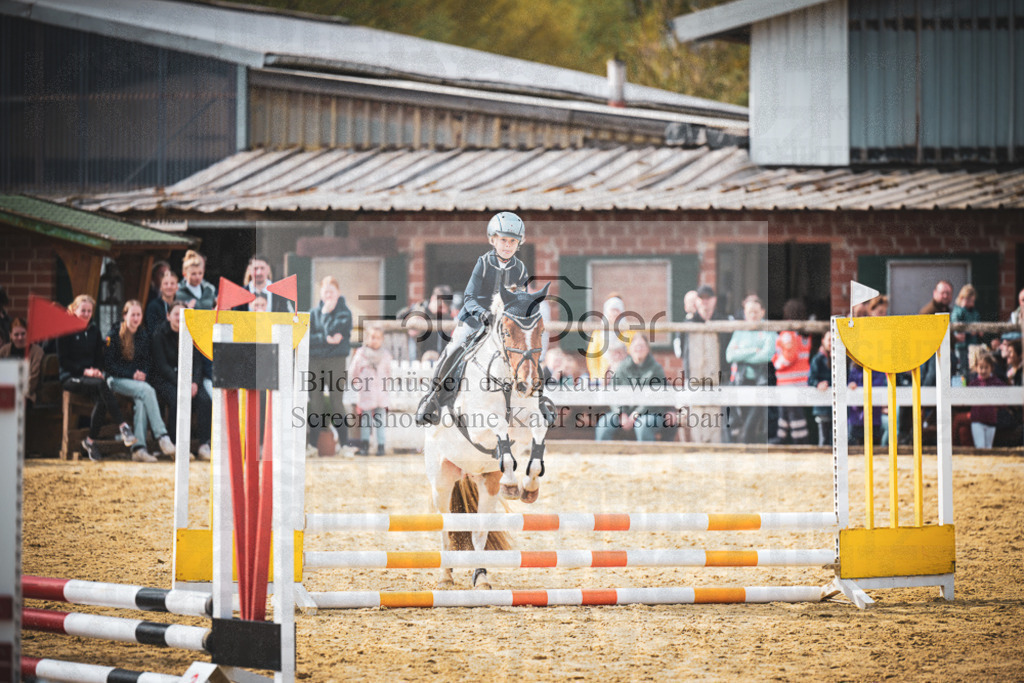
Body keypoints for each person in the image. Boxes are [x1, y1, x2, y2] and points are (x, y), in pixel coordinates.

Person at [415, 211, 554, 427]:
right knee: (453, 350)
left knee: (529, 353)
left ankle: (540, 400)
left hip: (503, 325)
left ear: (518, 244)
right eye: (503, 240)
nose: (507, 245)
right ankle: (432, 400)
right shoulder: (483, 263)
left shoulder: (520, 268)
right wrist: (482, 314)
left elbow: (521, 300)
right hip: (474, 319)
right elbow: (469, 297)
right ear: (493, 240)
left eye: (512, 241)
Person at [56, 294, 136, 462]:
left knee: (102, 399)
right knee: (102, 385)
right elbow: (64, 361)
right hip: (71, 377)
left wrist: (97, 370)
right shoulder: (64, 330)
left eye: (89, 311)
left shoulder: (94, 330)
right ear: (74, 310)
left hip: (92, 379)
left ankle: (90, 441)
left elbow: (98, 357)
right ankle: (123, 426)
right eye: (83, 310)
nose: (86, 314)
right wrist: (85, 371)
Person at [103, 300, 176, 463]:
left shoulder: (143, 335)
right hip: (115, 380)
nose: (136, 318)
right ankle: (162, 436)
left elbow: (147, 361)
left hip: (137, 383)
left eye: (138, 315)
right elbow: (108, 364)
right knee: (147, 391)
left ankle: (139, 449)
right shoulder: (114, 334)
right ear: (125, 315)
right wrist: (131, 374)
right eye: (133, 314)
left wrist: (143, 373)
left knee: (141, 402)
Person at [149, 302, 211, 460]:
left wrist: (195, 382)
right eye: (176, 314)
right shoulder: (159, 334)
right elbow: (162, 366)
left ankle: (204, 445)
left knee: (205, 400)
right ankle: (176, 445)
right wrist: (183, 383)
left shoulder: (191, 332)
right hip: (166, 380)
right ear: (168, 316)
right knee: (178, 399)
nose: (180, 317)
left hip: (190, 380)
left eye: (183, 314)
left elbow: (197, 363)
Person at [677, 284, 730, 443]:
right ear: (697, 301)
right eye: (702, 298)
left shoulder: (724, 321)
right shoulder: (688, 324)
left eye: (708, 298)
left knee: (716, 417)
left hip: (718, 378)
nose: (705, 302)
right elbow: (682, 350)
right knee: (697, 417)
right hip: (695, 378)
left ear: (714, 300)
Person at [307, 276, 352, 453]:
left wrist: (326, 318)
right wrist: (324, 339)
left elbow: (335, 332)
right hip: (315, 362)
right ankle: (312, 446)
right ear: (320, 293)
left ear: (338, 293)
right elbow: (307, 338)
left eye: (331, 292)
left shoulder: (344, 313)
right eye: (325, 292)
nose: (328, 295)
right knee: (315, 403)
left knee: (336, 403)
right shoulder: (312, 313)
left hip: (336, 361)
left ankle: (344, 445)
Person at [726, 295, 777, 444]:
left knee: (754, 420)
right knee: (742, 416)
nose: (752, 315)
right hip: (742, 380)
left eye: (755, 311)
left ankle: (745, 443)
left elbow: (767, 355)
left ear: (762, 311)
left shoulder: (769, 329)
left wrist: (742, 354)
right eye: (749, 312)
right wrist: (754, 350)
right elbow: (730, 355)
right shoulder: (741, 330)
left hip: (762, 381)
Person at [595, 334, 666, 442]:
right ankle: (603, 456)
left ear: (648, 348)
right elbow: (612, 393)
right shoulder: (622, 368)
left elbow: (654, 398)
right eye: (636, 346)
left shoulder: (656, 369)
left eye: (642, 346)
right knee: (603, 424)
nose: (639, 349)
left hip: (650, 413)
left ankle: (647, 457)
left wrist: (635, 415)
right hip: (623, 413)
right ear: (630, 349)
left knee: (643, 426)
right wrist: (621, 413)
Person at [348, 323, 392, 456]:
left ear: (382, 339)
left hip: (380, 394)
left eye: (378, 337)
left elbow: (388, 373)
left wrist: (386, 386)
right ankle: (365, 445)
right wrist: (357, 383)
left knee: (379, 422)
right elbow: (354, 371)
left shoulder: (385, 355)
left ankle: (381, 446)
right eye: (372, 337)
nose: (375, 340)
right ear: (367, 338)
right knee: (366, 421)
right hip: (366, 392)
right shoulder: (361, 354)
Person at [773, 298, 811, 445]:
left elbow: (789, 355)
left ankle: (800, 441)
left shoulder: (787, 334)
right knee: (787, 412)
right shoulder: (804, 334)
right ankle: (781, 437)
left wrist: (776, 363)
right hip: (801, 380)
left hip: (788, 381)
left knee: (794, 414)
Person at [586, 295, 633, 382]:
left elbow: (632, 355)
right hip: (602, 376)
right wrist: (596, 376)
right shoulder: (598, 334)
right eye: (612, 310)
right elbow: (592, 357)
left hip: (625, 376)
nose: (615, 313)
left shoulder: (630, 333)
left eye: (617, 310)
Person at [399, 285, 454, 361]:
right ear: (433, 299)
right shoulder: (418, 309)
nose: (444, 310)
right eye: (442, 306)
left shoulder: (448, 317)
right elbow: (398, 320)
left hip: (439, 360)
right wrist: (410, 325)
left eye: (446, 308)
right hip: (417, 360)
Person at [0, 317, 44, 407]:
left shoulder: (37, 352)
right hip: (4, 392)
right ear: (10, 335)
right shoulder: (4, 350)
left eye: (23, 334)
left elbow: (33, 377)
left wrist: (17, 391)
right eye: (16, 335)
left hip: (26, 394)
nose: (20, 338)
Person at [968, 353, 1005, 449]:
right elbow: (967, 398)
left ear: (991, 368)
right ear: (976, 368)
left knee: (989, 447)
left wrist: (998, 407)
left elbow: (1005, 397)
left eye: (986, 367)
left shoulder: (997, 382)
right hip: (977, 420)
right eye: (981, 367)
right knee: (980, 446)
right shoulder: (973, 384)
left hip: (991, 419)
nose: (983, 370)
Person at [807, 330, 832, 446]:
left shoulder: (842, 359)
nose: (831, 343)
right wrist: (818, 384)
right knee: (824, 438)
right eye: (829, 340)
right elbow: (810, 379)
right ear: (823, 341)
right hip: (822, 405)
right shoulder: (817, 359)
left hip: (837, 405)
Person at [950, 284, 981, 377]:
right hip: (961, 346)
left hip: (973, 344)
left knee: (973, 367)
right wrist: (969, 331)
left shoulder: (974, 312)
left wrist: (979, 330)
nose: (971, 303)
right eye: (969, 300)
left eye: (972, 300)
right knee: (963, 369)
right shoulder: (958, 311)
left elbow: (977, 322)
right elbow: (957, 326)